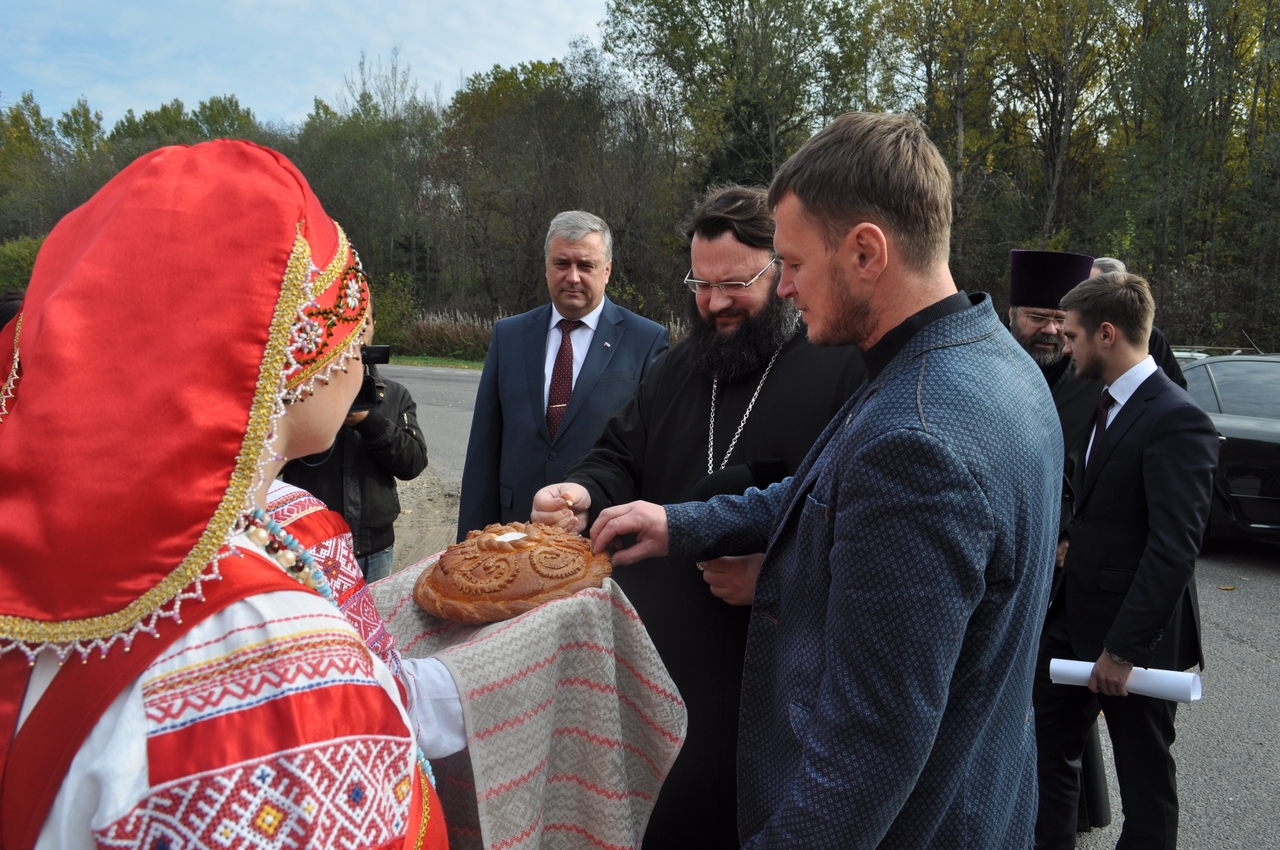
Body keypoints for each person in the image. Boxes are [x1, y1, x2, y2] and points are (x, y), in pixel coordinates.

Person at [589, 112, 1062, 847]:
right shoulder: (988, 357)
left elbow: (866, 751)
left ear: (866, 251)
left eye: (796, 265)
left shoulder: (918, 435)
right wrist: (682, 524)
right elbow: (829, 490)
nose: (785, 289)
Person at [0, 140, 449, 848]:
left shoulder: (51, 544)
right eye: (352, 329)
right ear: (287, 343)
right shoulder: (275, 660)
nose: (361, 351)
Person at [531, 185, 866, 849]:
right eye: (702, 284)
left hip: (769, 679)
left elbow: (855, 513)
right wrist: (578, 493)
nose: (714, 303)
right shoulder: (677, 368)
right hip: (661, 669)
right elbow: (619, 456)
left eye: (736, 283)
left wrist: (778, 570)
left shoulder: (839, 369)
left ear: (782, 272)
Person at [1033, 272, 1218, 850]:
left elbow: (1173, 548)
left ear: (1107, 333)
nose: (1065, 346)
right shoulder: (1104, 402)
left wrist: (1122, 651)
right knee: (1046, 752)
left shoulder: (1177, 418)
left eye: (1073, 336)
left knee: (1144, 782)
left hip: (1135, 644)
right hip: (1071, 625)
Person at [456, 210, 668, 540]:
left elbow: (653, 455)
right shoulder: (509, 336)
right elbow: (483, 451)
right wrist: (470, 542)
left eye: (586, 265)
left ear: (607, 270)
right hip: (514, 532)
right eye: (562, 263)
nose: (573, 276)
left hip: (602, 534)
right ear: (546, 267)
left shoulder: (646, 341)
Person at [282, 298, 427, 581]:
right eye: (349, 326)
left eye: (365, 325)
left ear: (374, 328)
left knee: (370, 623)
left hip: (375, 548)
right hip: (314, 543)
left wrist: (370, 421)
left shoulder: (395, 395)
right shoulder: (304, 393)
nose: (357, 334)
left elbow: (414, 463)